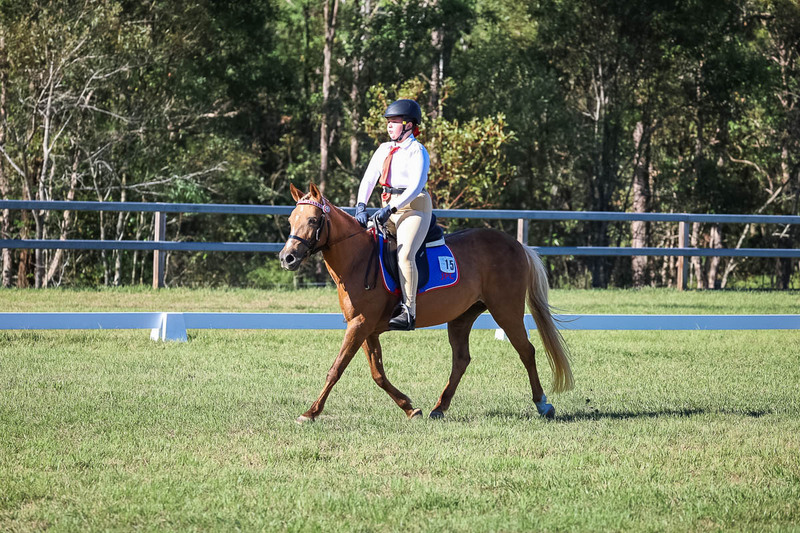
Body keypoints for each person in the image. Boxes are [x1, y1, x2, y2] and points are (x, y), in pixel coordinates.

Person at [354, 99, 432, 331]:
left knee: (405, 254)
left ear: (409, 125)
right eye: (388, 122)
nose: (389, 126)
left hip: (413, 208)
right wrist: (360, 206)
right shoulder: (384, 149)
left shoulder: (418, 151)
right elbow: (369, 179)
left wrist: (392, 208)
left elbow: (415, 186)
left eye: (395, 122)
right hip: (386, 206)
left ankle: (409, 311)